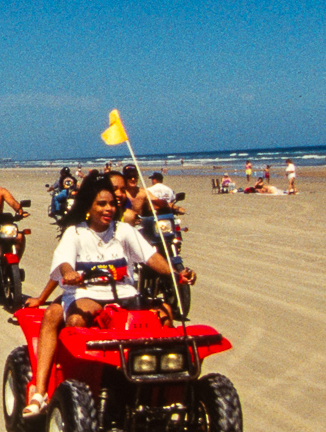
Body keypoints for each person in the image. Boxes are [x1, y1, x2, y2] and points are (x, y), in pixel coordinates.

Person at [23, 175, 196, 416]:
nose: (109, 209)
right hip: (87, 294)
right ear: (89, 207)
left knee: (165, 315)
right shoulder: (75, 233)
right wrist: (69, 272)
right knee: (75, 321)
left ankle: (168, 392)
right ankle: (42, 393)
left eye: (112, 204)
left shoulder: (124, 231)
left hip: (125, 294)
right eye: (101, 204)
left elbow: (150, 257)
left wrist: (177, 274)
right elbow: (63, 262)